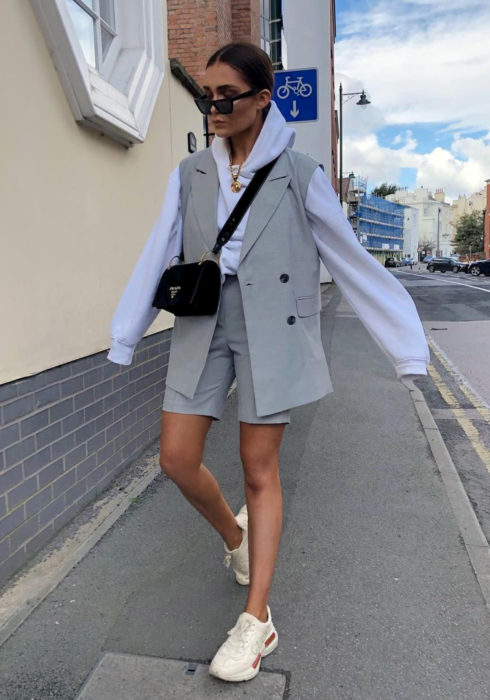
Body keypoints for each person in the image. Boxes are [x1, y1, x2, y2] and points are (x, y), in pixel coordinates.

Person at [108, 42, 429, 683]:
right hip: (204, 322)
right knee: (176, 457)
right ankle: (237, 540)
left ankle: (257, 622)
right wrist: (126, 332)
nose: (212, 106)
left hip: (273, 328)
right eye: (206, 95)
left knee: (261, 470)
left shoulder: (301, 173)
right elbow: (156, 253)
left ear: (262, 99)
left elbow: (350, 260)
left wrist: (405, 347)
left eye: (225, 95)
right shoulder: (191, 171)